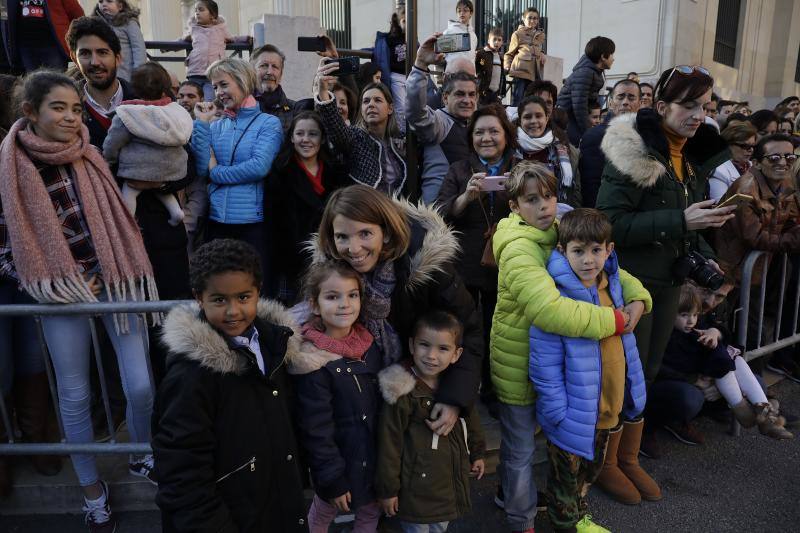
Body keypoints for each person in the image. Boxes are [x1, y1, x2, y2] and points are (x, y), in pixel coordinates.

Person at [0, 70, 158, 531]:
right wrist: (59, 283)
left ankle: (140, 454)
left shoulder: (89, 155)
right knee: (73, 393)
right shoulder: (8, 168)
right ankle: (92, 489)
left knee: (140, 383)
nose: (70, 117)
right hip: (57, 293)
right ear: (30, 112)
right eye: (58, 108)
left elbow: (114, 224)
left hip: (115, 280)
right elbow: (6, 248)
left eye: (74, 108)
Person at [491, 161, 650, 531]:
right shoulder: (518, 248)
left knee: (552, 445)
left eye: (549, 195)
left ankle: (515, 497)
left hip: (556, 362)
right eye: (531, 199)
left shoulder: (555, 231)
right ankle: (520, 520)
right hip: (520, 364)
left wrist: (639, 297)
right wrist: (617, 321)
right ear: (514, 206)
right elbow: (550, 311)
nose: (544, 205)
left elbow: (606, 269)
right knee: (520, 450)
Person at [596, 65, 737, 476]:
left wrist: (705, 250)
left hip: (669, 285)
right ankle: (605, 464)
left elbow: (688, 222)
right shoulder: (633, 151)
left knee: (649, 373)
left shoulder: (690, 156)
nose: (699, 114)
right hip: (632, 288)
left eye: (705, 106)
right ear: (661, 106)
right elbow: (610, 224)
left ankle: (627, 457)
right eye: (688, 105)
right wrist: (682, 222)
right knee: (624, 375)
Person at [152, 239, 307, 532]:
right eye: (219, 300)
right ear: (199, 298)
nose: (233, 311)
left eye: (243, 297)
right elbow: (181, 473)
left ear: (259, 293)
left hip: (272, 510)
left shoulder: (275, 345)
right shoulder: (190, 376)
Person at [311, 185, 484, 435]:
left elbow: (467, 331)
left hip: (421, 396)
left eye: (365, 234)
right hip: (355, 405)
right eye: (342, 237)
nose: (354, 249)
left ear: (387, 233)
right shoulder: (327, 278)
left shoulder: (429, 270)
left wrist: (453, 399)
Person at [530, 208, 646, 533]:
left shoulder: (613, 286)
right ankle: (566, 524)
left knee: (589, 473)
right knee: (565, 477)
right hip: (572, 413)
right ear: (562, 251)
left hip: (608, 408)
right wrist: (555, 411)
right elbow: (545, 363)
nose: (588, 260)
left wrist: (631, 389)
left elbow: (625, 345)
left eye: (596, 250)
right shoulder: (556, 298)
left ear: (609, 250)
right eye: (578, 251)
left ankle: (580, 515)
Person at [288, 260, 384, 532]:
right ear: (315, 304)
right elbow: (316, 428)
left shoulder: (370, 344)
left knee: (369, 513)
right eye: (333, 296)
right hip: (339, 464)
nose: (345, 304)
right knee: (322, 513)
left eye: (352, 295)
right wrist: (331, 478)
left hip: (373, 458)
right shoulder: (313, 360)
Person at [436, 104, 517, 409]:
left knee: (500, 332)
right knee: (466, 329)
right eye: (480, 132)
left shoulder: (519, 167)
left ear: (506, 136)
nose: (487, 137)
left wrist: (516, 193)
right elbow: (440, 211)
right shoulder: (459, 169)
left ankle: (494, 392)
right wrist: (466, 197)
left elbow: (540, 209)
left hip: (507, 265)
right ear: (471, 138)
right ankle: (462, 391)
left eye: (494, 131)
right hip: (466, 265)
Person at [376, 310, 486, 533]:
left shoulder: (456, 388)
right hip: (415, 490)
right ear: (411, 345)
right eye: (424, 345)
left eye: (443, 348)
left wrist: (477, 452)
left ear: (456, 354)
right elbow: (389, 444)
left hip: (446, 486)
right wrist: (388, 490)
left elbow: (470, 419)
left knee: (440, 528)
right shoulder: (402, 391)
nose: (431, 356)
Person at [660, 285, 792, 439]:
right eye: (684, 315)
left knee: (736, 361)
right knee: (715, 371)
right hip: (686, 378)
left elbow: (720, 332)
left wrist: (715, 332)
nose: (691, 321)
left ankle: (765, 412)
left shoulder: (699, 321)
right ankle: (744, 411)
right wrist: (696, 380)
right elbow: (663, 367)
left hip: (707, 373)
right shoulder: (666, 334)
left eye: (695, 315)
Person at [190, 57, 283, 269]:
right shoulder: (215, 126)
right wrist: (202, 124)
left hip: (252, 225)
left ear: (242, 81)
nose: (219, 92)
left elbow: (258, 167)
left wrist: (216, 172)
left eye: (224, 84)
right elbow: (202, 169)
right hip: (216, 223)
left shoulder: (269, 123)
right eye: (215, 87)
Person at [265, 111, 347, 302]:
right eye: (300, 133)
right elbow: (272, 224)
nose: (306, 140)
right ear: (291, 138)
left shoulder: (334, 170)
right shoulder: (280, 171)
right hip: (291, 260)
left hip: (329, 256)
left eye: (313, 134)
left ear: (322, 138)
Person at [102, 62, 194, 225]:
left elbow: (113, 142)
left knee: (130, 191)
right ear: (166, 88)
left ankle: (128, 222)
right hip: (171, 170)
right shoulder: (176, 111)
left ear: (134, 88)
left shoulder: (128, 113)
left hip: (138, 170)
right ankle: (177, 213)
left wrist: (109, 159)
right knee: (162, 190)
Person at [714, 134, 800, 282]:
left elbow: (789, 222)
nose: (783, 162)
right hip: (733, 269)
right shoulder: (745, 189)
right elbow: (754, 237)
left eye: (790, 157)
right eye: (774, 158)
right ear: (757, 163)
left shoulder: (787, 182)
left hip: (763, 265)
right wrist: (794, 240)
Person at [315, 62, 406, 195]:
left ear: (390, 108)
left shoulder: (402, 140)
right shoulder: (355, 137)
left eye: (378, 100)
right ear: (361, 109)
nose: (371, 105)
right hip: (364, 210)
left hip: (398, 211)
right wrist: (323, 91)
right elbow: (337, 130)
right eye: (366, 101)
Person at [407, 33, 477, 203]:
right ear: (445, 97)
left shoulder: (478, 121)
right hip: (438, 216)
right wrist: (421, 64)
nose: (467, 100)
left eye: (471, 94)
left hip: (470, 211)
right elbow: (417, 113)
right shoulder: (440, 121)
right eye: (460, 94)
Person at [66, 16, 134, 148]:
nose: (95, 62)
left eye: (102, 53)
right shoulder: (63, 110)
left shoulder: (145, 101)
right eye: (85, 53)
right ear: (74, 59)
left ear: (118, 58)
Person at [578, 79, 641, 208]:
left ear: (640, 103)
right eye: (620, 97)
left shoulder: (646, 134)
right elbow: (591, 183)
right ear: (611, 103)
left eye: (631, 97)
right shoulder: (595, 136)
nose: (625, 102)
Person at [515, 95, 581, 212]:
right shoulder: (510, 149)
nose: (534, 121)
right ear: (520, 120)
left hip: (557, 217)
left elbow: (575, 193)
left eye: (539, 116)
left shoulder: (567, 151)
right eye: (527, 117)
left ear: (547, 117)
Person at [556, 36, 615, 146]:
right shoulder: (585, 72)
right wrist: (588, 132)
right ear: (603, 56)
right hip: (567, 119)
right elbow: (579, 105)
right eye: (612, 54)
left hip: (573, 119)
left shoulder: (593, 71)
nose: (613, 58)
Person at [5, 0, 84, 72]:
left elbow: (77, 15)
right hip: (26, 48)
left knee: (56, 82)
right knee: (32, 84)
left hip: (53, 47)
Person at [183, 0, 233, 101]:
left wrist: (246, 39)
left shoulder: (221, 29)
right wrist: (167, 48)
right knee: (191, 99)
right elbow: (182, 40)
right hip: (195, 72)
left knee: (209, 100)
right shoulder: (194, 29)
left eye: (201, 10)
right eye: (196, 10)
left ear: (212, 15)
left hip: (212, 74)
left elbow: (233, 38)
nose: (197, 13)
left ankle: (207, 116)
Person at [372, 7, 407, 133]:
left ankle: (411, 134)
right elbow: (376, 52)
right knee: (401, 107)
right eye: (404, 20)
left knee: (412, 107)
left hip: (410, 76)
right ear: (397, 21)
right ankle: (402, 133)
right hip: (396, 76)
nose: (406, 23)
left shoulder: (413, 38)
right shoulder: (389, 39)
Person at [93, 0, 146, 82]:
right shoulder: (96, 23)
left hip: (125, 74)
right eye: (101, 1)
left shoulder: (129, 23)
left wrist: (138, 74)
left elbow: (139, 48)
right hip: (105, 74)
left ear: (120, 6)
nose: (104, 4)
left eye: (109, 1)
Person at [252, 44, 298, 134]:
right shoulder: (241, 107)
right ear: (252, 71)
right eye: (264, 65)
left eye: (275, 67)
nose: (270, 72)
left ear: (280, 75)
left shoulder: (295, 109)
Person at [504, 8, 545, 106]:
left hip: (535, 73)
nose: (532, 20)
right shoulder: (518, 34)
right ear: (523, 18)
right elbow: (510, 53)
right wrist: (507, 66)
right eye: (530, 18)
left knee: (532, 101)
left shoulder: (540, 35)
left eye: (535, 18)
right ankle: (514, 120)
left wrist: (542, 53)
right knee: (518, 100)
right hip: (520, 72)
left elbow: (537, 48)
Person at [708, 121, 757, 201]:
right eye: (745, 146)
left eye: (752, 146)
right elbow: (721, 206)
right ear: (728, 145)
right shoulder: (718, 172)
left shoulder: (754, 166)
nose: (750, 150)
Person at [442, 0, 479, 69]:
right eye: (459, 11)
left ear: (471, 13)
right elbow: (440, 55)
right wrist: (439, 79)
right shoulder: (449, 32)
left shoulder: (473, 36)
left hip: (469, 76)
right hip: (453, 75)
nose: (462, 13)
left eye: (465, 10)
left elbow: (472, 59)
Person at [475, 27, 505, 105]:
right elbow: (479, 67)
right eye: (494, 39)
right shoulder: (482, 53)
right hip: (484, 92)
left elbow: (501, 74)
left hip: (496, 93)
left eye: (499, 40)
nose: (496, 42)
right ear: (488, 40)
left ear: (502, 42)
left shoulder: (500, 56)